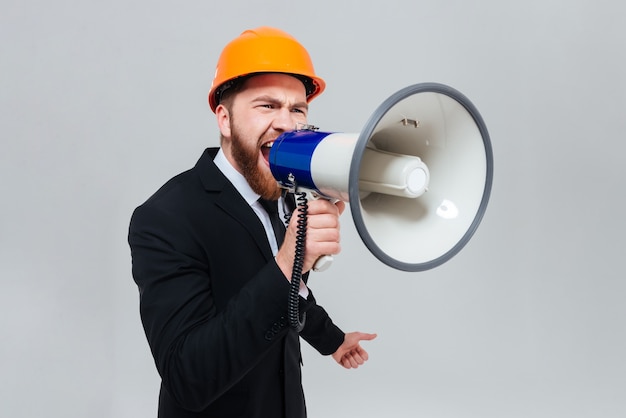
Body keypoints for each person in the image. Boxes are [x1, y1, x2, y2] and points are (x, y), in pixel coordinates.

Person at [128, 26, 376, 418]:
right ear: (224, 120)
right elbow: (186, 378)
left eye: (298, 109)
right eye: (267, 106)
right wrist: (287, 261)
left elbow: (292, 295)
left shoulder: (291, 195)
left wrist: (333, 340)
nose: (287, 124)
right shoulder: (165, 218)